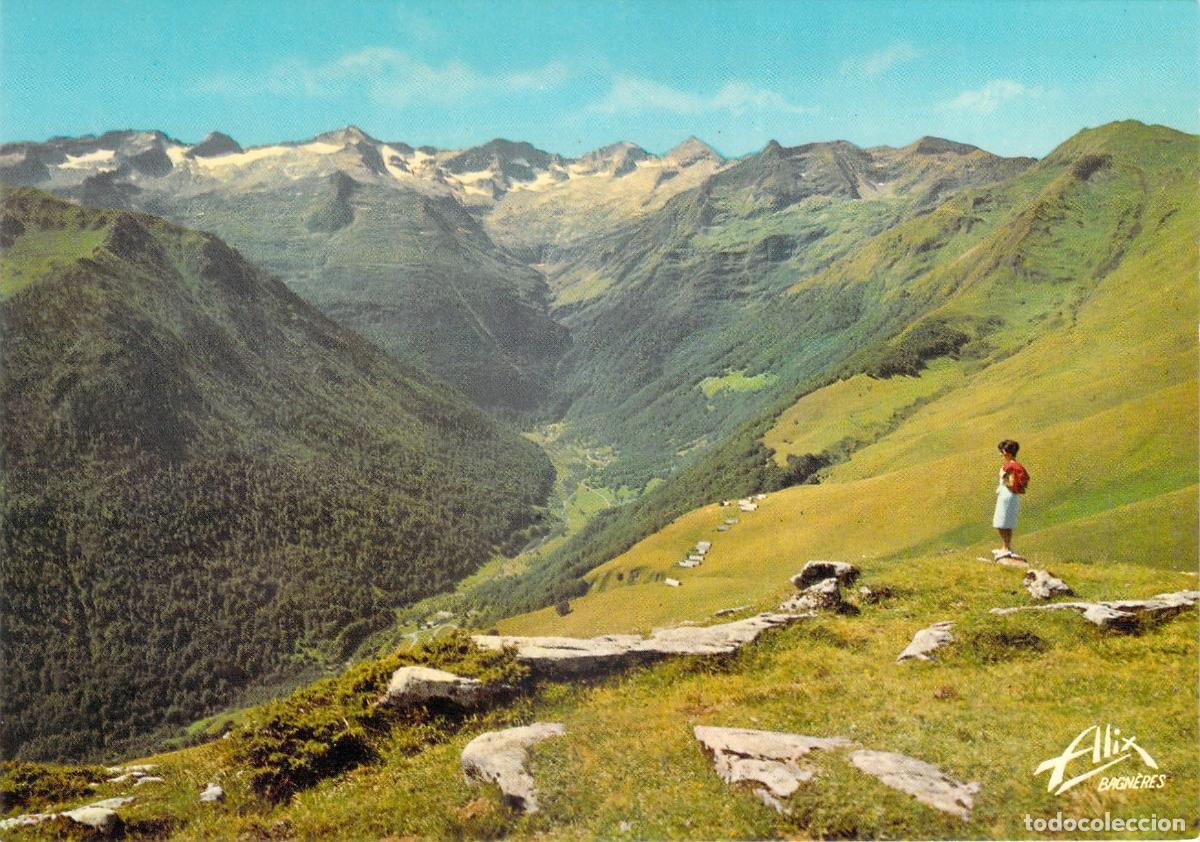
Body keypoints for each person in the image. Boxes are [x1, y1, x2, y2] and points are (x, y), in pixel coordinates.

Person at [992, 439, 1028, 561]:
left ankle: (1006, 548)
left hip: (1006, 495)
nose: (1001, 454)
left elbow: (1010, 482)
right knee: (1007, 523)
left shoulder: (1009, 466)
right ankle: (1006, 547)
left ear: (1007, 453)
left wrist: (1004, 478)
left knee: (1001, 522)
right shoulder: (1017, 466)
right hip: (1013, 496)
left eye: (1002, 452)